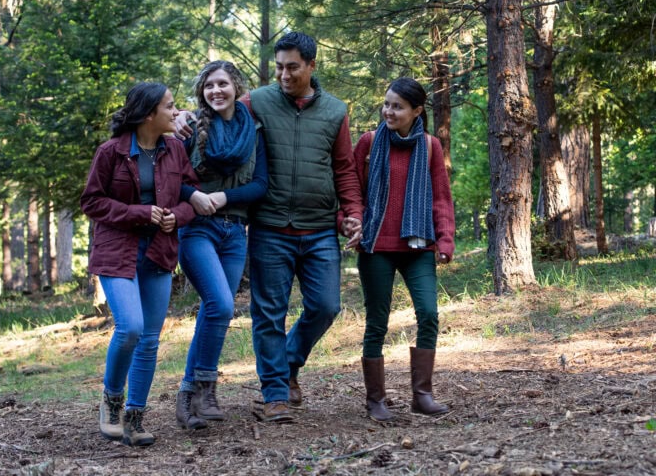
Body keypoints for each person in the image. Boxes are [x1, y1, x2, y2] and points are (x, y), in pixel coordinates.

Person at [177, 32, 363, 422]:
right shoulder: (256, 102)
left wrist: (352, 212)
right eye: (278, 66)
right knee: (268, 313)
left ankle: (289, 363)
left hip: (318, 226)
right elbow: (216, 105)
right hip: (271, 225)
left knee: (326, 306)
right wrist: (181, 117)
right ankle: (275, 392)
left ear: (312, 65)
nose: (283, 74)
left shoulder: (335, 111)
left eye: (292, 67)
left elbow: (344, 167)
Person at [80, 82, 199, 446]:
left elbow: (189, 197)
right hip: (117, 250)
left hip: (159, 251)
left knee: (149, 340)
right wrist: (140, 213)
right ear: (149, 114)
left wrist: (175, 217)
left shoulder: (176, 149)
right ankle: (111, 401)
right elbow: (92, 202)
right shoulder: (111, 152)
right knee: (130, 327)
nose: (175, 112)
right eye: (170, 106)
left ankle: (135, 417)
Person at [350, 77, 455, 421]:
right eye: (386, 104)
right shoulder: (367, 143)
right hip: (376, 246)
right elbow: (351, 190)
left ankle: (422, 395)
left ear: (417, 111)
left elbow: (440, 195)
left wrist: (445, 238)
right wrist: (349, 223)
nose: (388, 111)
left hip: (418, 244)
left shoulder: (430, 146)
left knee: (429, 314)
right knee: (377, 321)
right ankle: (375, 400)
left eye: (397, 106)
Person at [174, 61, 268, 430]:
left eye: (223, 84)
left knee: (214, 311)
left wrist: (223, 197)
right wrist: (196, 196)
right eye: (209, 85)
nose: (216, 91)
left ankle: (187, 394)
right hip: (198, 230)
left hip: (234, 232)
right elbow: (172, 179)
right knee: (222, 304)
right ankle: (206, 387)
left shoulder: (253, 130)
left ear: (236, 87)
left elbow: (260, 185)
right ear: (202, 91)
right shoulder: (189, 127)